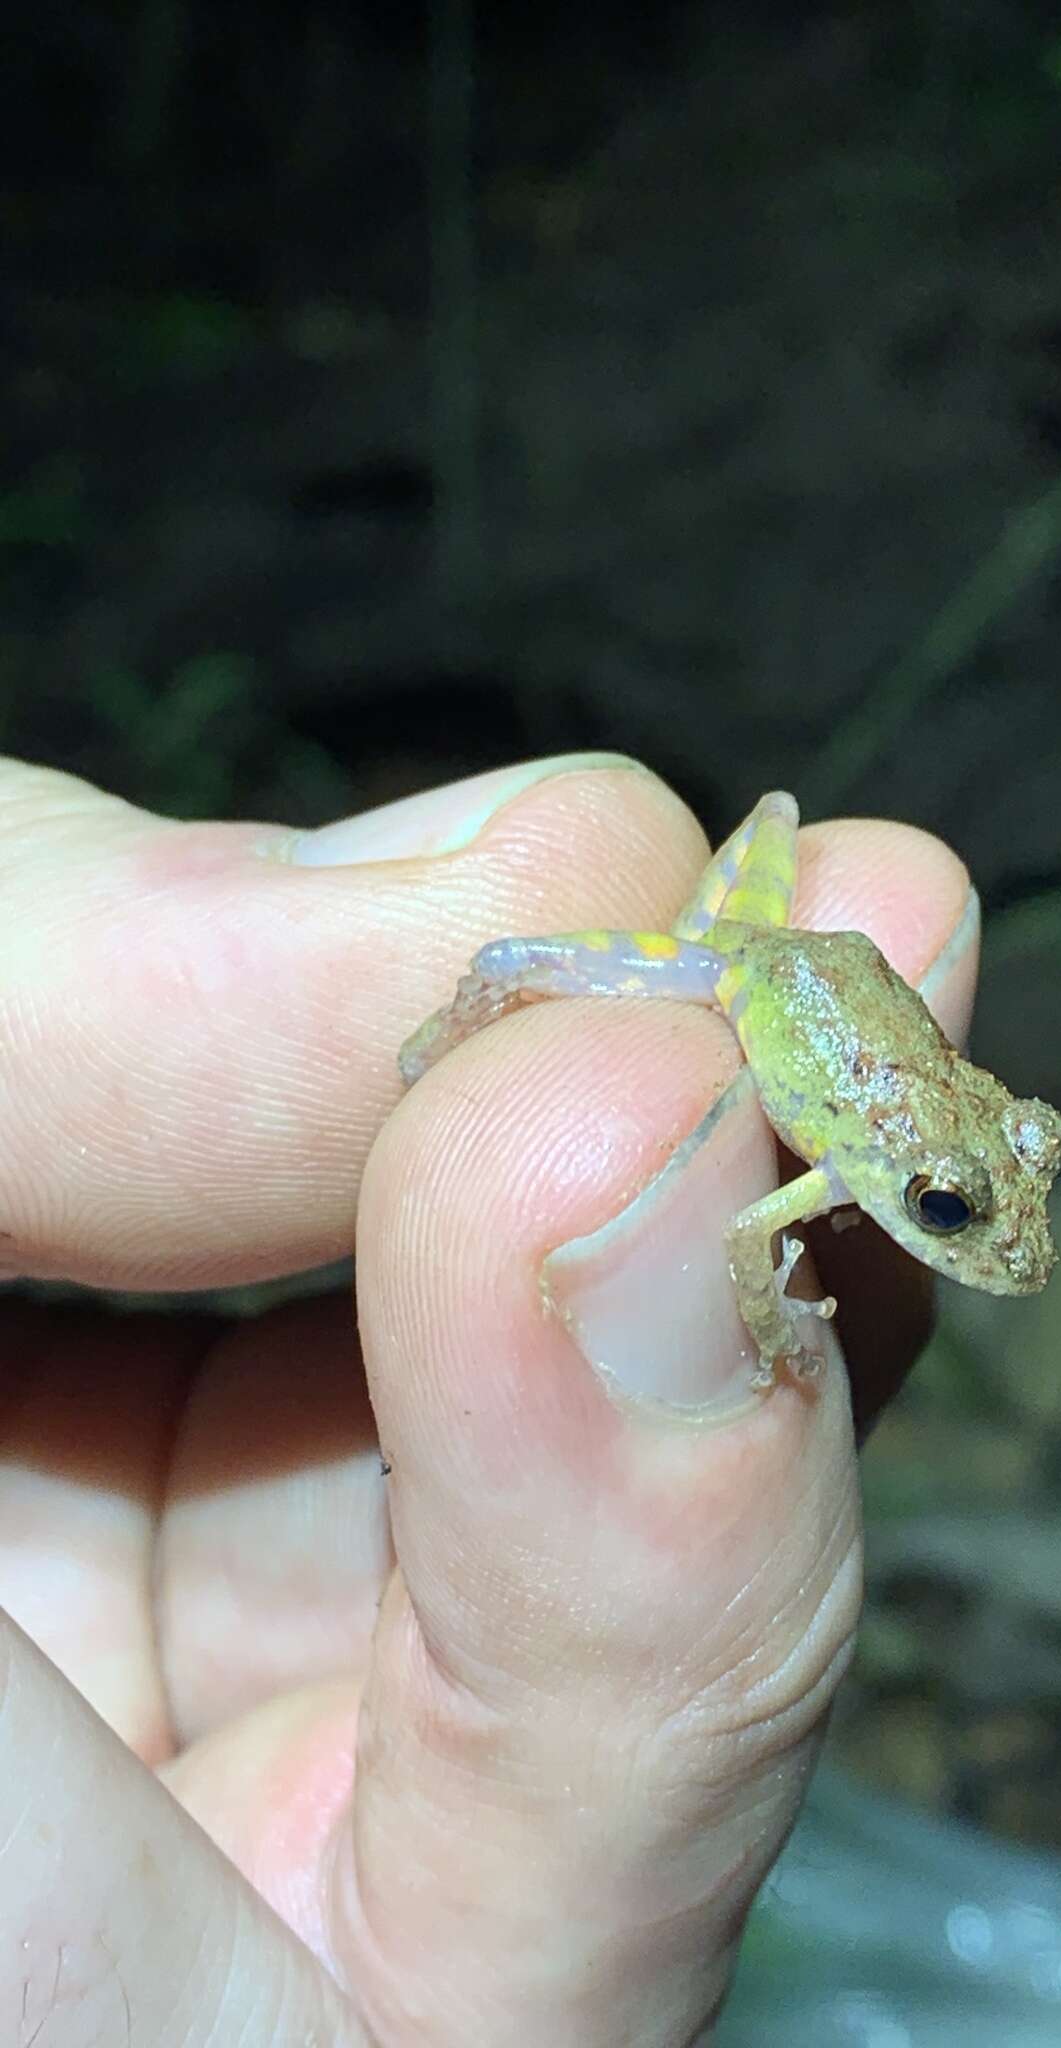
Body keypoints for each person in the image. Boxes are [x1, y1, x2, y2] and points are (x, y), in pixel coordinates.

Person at [0, 753, 979, 2045]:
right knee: (533, 967)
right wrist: (777, 1329)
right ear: (908, 1175)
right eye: (953, 1213)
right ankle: (471, 1008)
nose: (988, 1245)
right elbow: (747, 1248)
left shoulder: (864, 1156)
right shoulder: (842, 1166)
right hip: (750, 972)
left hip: (792, 990)